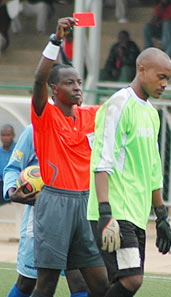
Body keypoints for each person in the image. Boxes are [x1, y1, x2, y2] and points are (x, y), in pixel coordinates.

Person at [30, 17, 110, 297]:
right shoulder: (45, 116)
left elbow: (121, 106)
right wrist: (56, 41)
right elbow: (39, 78)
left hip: (85, 206)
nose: (77, 87)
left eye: (78, 82)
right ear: (54, 89)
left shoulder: (90, 115)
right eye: (69, 82)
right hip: (55, 204)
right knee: (47, 284)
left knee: (101, 285)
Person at [87, 47, 171, 297]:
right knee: (131, 279)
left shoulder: (151, 113)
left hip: (136, 214)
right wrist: (105, 213)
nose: (165, 84)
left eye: (168, 78)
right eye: (161, 77)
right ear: (141, 70)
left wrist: (161, 215)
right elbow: (102, 161)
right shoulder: (118, 104)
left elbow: (154, 169)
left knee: (121, 281)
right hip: (114, 212)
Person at [3, 124, 89, 297]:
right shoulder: (34, 131)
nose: (78, 95)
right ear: (55, 94)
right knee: (28, 282)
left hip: (74, 214)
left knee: (80, 282)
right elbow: (12, 168)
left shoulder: (82, 127)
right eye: (72, 93)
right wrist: (13, 192)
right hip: (39, 216)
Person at [0, 124, 16, 205]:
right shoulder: (0, 152)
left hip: (16, 184)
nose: (5, 138)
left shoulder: (18, 150)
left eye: (8, 135)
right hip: (2, 184)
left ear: (13, 135)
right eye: (3, 135)